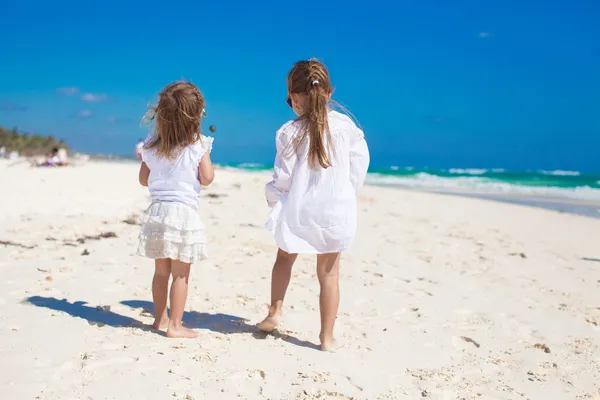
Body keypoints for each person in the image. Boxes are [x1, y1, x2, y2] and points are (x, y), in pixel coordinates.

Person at [257, 59, 370, 351]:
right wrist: (346, 193)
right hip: (335, 211)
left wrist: (274, 200)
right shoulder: (347, 128)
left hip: (298, 209)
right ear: (329, 93)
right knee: (329, 274)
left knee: (284, 258)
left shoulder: (288, 132)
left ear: (293, 97)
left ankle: (275, 311)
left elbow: (283, 177)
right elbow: (359, 165)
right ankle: (326, 337)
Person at [137, 81, 215, 339]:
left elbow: (143, 180)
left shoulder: (152, 144)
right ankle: (176, 325)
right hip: (183, 215)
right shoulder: (198, 144)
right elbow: (206, 178)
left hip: (158, 213)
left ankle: (159, 319)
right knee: (181, 275)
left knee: (161, 272)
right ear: (196, 116)